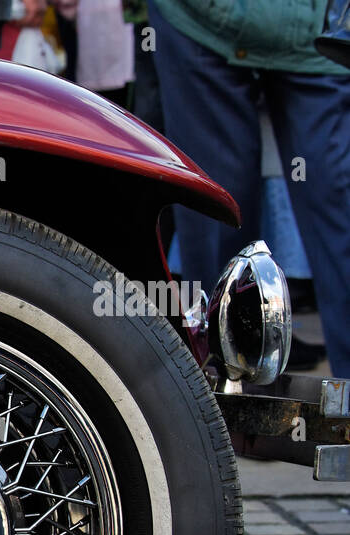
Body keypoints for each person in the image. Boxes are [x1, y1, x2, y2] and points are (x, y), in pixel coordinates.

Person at [148, 1, 350, 377]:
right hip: (199, 24)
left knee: (341, 218)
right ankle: (220, 401)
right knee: (218, 215)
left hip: (320, 33)